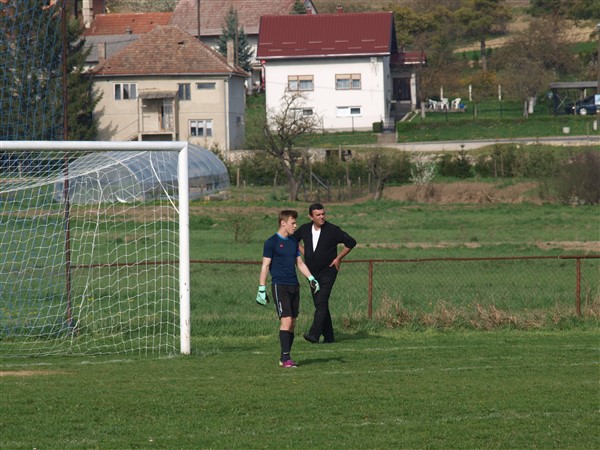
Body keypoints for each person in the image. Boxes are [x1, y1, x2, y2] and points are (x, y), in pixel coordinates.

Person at [257, 210, 320, 368]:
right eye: (293, 222)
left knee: (292, 324)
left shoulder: (293, 242)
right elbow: (265, 266)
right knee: (286, 320)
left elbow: (300, 263)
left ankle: (284, 356)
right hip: (280, 286)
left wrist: (311, 278)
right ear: (283, 223)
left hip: (294, 285)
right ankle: (286, 359)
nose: (295, 225)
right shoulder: (271, 242)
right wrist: (262, 288)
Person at [293, 203, 356, 344]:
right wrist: (305, 253)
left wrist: (338, 258)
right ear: (311, 216)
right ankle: (329, 337)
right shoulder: (304, 229)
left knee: (321, 301)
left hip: (328, 271)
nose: (321, 217)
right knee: (320, 304)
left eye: (323, 214)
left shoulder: (333, 230)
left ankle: (314, 334)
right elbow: (293, 240)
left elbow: (351, 242)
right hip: (311, 273)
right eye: (318, 215)